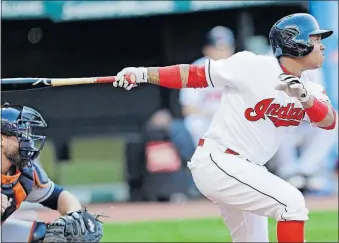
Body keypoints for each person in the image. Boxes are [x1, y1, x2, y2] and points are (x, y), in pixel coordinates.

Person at [112, 13, 337, 242]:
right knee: (292, 203)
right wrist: (142, 73)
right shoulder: (252, 65)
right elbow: (194, 75)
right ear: (296, 43)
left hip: (247, 169)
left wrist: (305, 98)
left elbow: (329, 122)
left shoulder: (312, 89)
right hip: (220, 161)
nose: (322, 46)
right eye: (316, 40)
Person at [1, 103, 103, 242]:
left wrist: (75, 216)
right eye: (21, 134)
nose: (28, 140)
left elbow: (60, 196)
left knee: (56, 236)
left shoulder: (24, 173)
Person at [180, 26, 235, 145]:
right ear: (207, 50)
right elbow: (188, 109)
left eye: (226, 49)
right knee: (195, 123)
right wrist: (213, 114)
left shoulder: (239, 68)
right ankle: (206, 159)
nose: (223, 53)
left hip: (235, 118)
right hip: (207, 118)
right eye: (218, 49)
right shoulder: (195, 70)